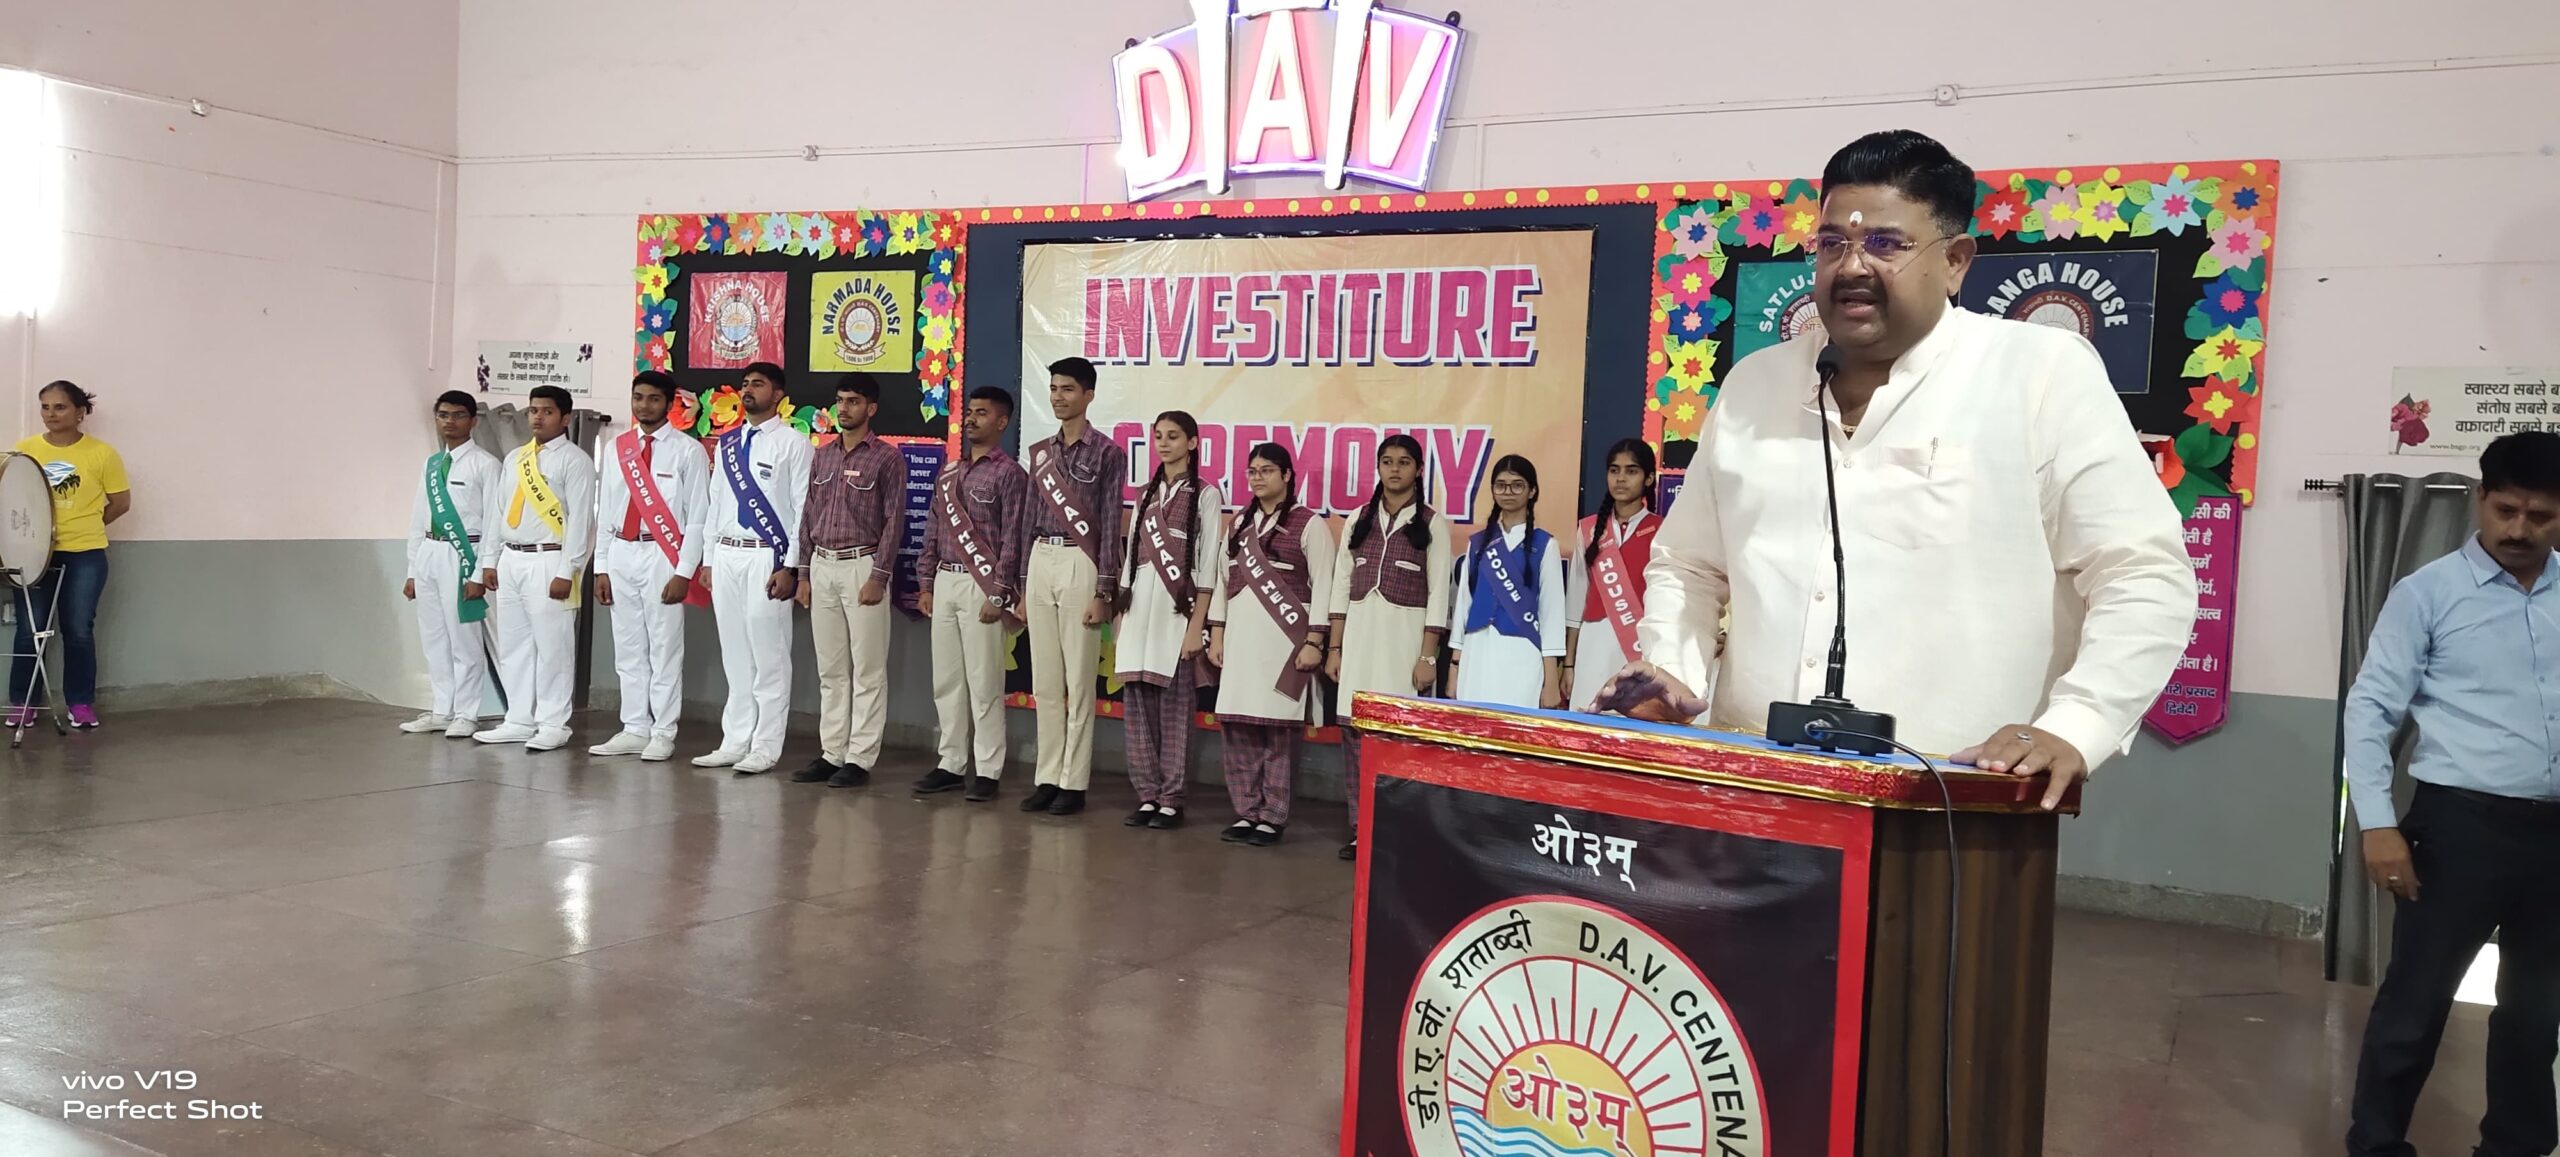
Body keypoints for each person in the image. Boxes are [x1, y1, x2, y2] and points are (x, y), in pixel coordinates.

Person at [1592, 129, 2195, 811]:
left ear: (1956, 261)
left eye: (1886, 243)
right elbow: (1691, 565)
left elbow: (2143, 571)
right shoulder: (1754, 386)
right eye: (1832, 243)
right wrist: (1673, 668)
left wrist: (2078, 723)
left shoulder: (2038, 374)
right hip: (1752, 788)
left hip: (1951, 806)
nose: (1853, 266)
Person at [2341, 430, 2560, 1157]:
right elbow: (2370, 710)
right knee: (2417, 1003)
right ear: (2479, 500)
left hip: (2554, 839)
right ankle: (2377, 1144)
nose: (2519, 529)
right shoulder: (2427, 594)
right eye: (2506, 510)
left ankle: (2517, 1146)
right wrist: (2377, 824)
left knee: (2537, 1012)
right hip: (2459, 829)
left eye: (2540, 515)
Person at [1325, 433, 1452, 860]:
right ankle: (1361, 828)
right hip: (1358, 641)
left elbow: (1439, 593)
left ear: (1418, 470)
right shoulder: (1359, 518)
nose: (1394, 469)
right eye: (1387, 461)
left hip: (1404, 644)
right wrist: (1335, 648)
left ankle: (1398, 829)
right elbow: (1341, 585)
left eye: (1403, 462)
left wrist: (1427, 656)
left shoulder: (1432, 523)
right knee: (1356, 737)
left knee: (1400, 738)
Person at [1206, 442, 1334, 847]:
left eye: (1266, 470)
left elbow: (1325, 585)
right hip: (1241, 641)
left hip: (1285, 644)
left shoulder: (1309, 524)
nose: (1258, 478)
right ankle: (1247, 811)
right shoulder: (1239, 524)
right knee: (1239, 726)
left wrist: (1315, 641)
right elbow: (1222, 582)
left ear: (1287, 475)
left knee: (1278, 731)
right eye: (1253, 471)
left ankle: (1273, 816)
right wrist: (1217, 633)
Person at [1018, 356, 1127, 817]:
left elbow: (1110, 524)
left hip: (1081, 561)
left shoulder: (1107, 453)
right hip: (1041, 557)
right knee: (1044, 679)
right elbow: (1027, 518)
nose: (1058, 397)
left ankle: (1073, 781)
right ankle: (1047, 776)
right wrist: (1022, 583)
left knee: (1079, 681)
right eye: (1053, 389)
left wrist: (1104, 592)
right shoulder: (1041, 452)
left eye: (1067, 389)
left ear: (1089, 395)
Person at [913, 387, 1030, 803]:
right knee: (946, 680)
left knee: (984, 683)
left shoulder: (1010, 474)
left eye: (982, 413)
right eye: (970, 412)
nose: (972, 419)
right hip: (945, 579)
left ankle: (989, 769)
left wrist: (999, 594)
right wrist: (926, 583)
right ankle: (950, 763)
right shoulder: (949, 473)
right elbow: (933, 529)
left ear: (1002, 422)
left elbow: (1014, 538)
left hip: (982, 585)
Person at [695, 362, 812, 776]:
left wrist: (790, 565)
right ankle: (734, 740)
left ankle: (765, 746)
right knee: (735, 654)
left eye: (758, 384)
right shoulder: (727, 443)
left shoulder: (794, 444)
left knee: (769, 655)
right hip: (726, 554)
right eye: (744, 384)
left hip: (767, 556)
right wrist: (708, 559)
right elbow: (715, 503)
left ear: (777, 394)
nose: (748, 390)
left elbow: (802, 510)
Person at [589, 371, 711, 763]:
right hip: (621, 552)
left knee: (664, 648)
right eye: (638, 397)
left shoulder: (688, 451)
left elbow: (698, 517)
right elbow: (607, 508)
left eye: (654, 399)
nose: (644, 406)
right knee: (628, 648)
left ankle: (662, 732)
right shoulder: (618, 448)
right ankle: (634, 727)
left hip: (663, 555)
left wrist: (684, 571)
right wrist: (601, 566)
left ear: (670, 403)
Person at [791, 375, 905, 789]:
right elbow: (808, 515)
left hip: (863, 565)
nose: (844, 408)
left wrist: (879, 575)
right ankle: (832, 752)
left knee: (868, 668)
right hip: (823, 565)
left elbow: (894, 521)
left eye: (853, 401)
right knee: (831, 669)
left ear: (871, 408)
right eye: (840, 401)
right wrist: (804, 573)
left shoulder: (887, 459)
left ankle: (859, 757)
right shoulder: (822, 456)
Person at [1115, 411, 1223, 830]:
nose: (1163, 443)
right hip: (1139, 609)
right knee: (1138, 707)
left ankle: (1172, 799)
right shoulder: (1145, 493)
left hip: (1176, 612)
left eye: (1173, 436)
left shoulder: (1205, 494)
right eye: (1158, 436)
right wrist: (1121, 616)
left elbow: (1208, 565)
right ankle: (1147, 794)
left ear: (1192, 443)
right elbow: (1130, 559)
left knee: (1175, 710)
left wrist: (1197, 625)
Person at [475, 385, 596, 752]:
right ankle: (518, 718)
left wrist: (568, 570)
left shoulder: (575, 461)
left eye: (546, 411)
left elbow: (580, 521)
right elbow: (497, 512)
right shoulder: (516, 458)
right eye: (532, 411)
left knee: (553, 646)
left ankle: (553, 723)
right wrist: (490, 560)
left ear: (565, 418)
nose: (537, 418)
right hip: (512, 557)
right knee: (514, 644)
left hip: (550, 559)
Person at [7, 381, 131, 730]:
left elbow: (120, 503)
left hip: (84, 554)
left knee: (78, 630)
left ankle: (80, 703)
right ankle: (23, 703)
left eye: (59, 407)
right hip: (32, 556)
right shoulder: (25, 451)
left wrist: (86, 526)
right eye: (45, 407)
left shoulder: (102, 454)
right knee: (30, 630)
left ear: (80, 412)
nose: (51, 414)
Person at [397, 390, 503, 739]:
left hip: (463, 555)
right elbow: (418, 518)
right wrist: (412, 571)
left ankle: (466, 713)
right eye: (443, 415)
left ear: (473, 421)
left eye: (458, 415)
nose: (449, 422)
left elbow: (493, 523)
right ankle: (442, 709)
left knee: (464, 640)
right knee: (434, 638)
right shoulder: (432, 465)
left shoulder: (486, 464)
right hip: (429, 552)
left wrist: (479, 571)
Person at [1448, 455, 1566, 709]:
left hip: (1523, 654)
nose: (1508, 492)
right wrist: (1454, 666)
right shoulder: (1478, 543)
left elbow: (1552, 615)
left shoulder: (1545, 545)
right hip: (1477, 652)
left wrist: (1551, 681)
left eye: (1517, 485)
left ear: (1532, 491)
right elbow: (1464, 605)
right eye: (1501, 485)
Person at [1566, 439, 1661, 711]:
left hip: (1640, 643)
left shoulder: (1662, 530)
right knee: (1588, 715)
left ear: (1648, 478)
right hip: (1593, 643)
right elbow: (1576, 599)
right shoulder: (1588, 529)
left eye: (1631, 471)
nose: (1621, 478)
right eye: (1614, 470)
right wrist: (1569, 664)